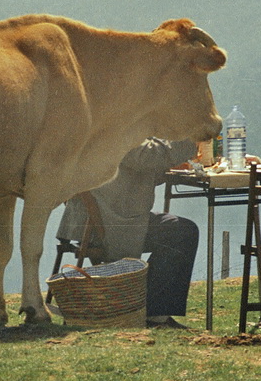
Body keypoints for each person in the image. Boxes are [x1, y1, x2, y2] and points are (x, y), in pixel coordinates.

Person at [56, 138, 199, 329]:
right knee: (180, 231)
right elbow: (149, 155)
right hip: (108, 223)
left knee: (176, 229)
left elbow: (138, 165)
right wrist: (193, 140)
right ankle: (154, 315)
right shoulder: (118, 128)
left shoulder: (108, 122)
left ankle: (150, 310)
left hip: (101, 217)